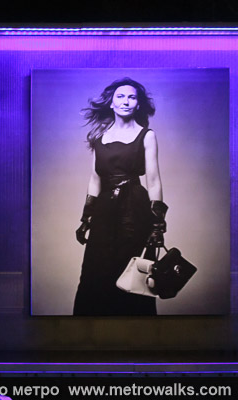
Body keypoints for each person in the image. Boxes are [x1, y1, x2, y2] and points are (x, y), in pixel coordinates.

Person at [72, 77, 165, 316]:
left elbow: (153, 180)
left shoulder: (147, 135)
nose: (126, 101)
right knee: (95, 271)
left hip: (134, 209)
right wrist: (86, 218)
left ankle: (134, 337)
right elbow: (95, 178)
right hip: (104, 212)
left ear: (138, 104)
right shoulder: (99, 137)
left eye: (132, 97)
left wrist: (157, 225)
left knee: (130, 272)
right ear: (111, 104)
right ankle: (91, 336)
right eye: (120, 97)